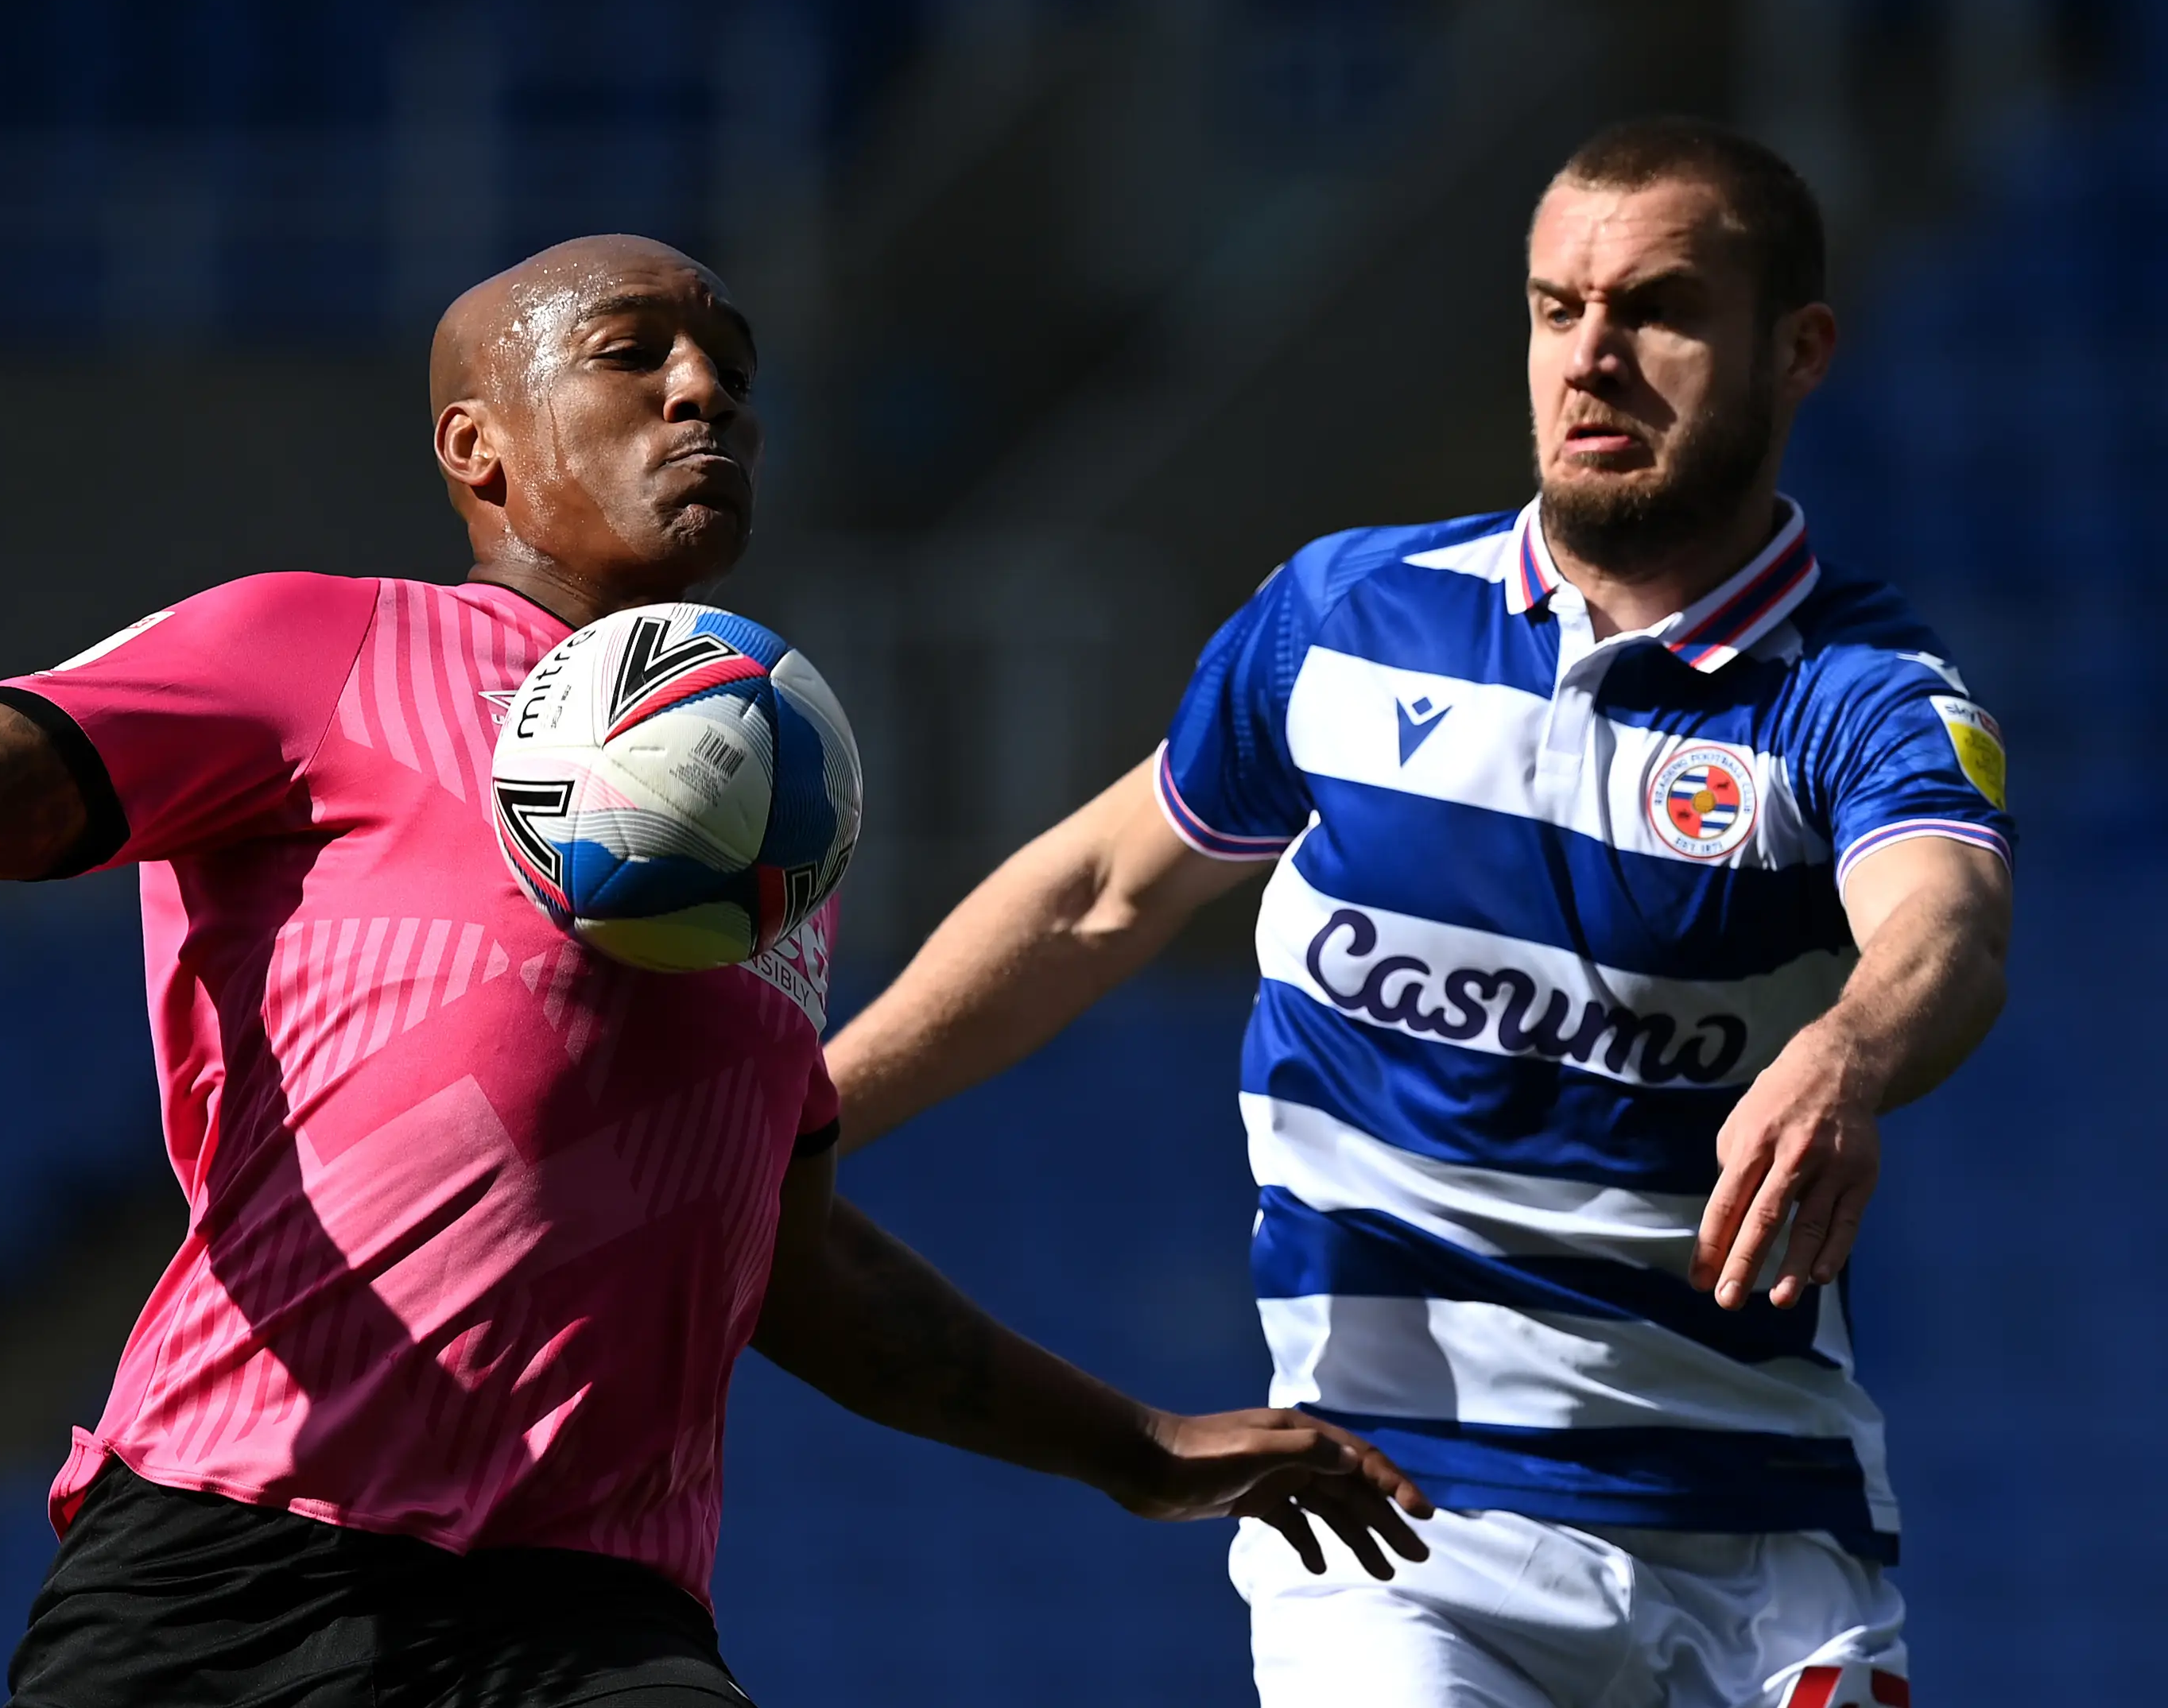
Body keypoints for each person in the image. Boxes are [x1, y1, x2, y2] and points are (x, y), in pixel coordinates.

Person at [0, 234, 1426, 1708]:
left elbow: (771, 1249)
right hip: (227, 1576)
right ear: (478, 447)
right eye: (638, 356)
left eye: (735, 374)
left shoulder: (773, 802)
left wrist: (1131, 1444)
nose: (708, 392)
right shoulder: (308, 649)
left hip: (590, 1623)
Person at [824, 122, 2011, 1708]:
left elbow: (1948, 920)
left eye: (1658, 309)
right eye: (1555, 308)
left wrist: (1849, 1053)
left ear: (1798, 351)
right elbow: (1094, 898)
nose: (1592, 358)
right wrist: (794, 1122)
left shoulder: (1860, 694)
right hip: (1395, 1531)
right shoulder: (1342, 621)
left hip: (1766, 1550)